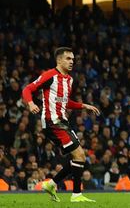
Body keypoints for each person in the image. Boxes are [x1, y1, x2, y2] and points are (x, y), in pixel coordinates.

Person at [22, 47, 100, 203]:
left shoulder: (69, 80)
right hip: (52, 122)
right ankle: (76, 194)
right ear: (59, 60)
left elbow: (65, 102)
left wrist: (84, 105)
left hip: (63, 121)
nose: (72, 61)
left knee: (78, 158)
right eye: (68, 59)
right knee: (79, 155)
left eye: (73, 59)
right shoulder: (49, 75)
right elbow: (27, 89)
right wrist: (30, 104)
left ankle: (51, 184)